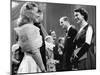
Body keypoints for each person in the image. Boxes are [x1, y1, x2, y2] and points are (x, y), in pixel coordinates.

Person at [14, 2, 46, 73]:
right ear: (29, 15)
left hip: (27, 62)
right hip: (33, 62)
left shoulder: (23, 28)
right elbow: (35, 52)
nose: (38, 15)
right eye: (36, 12)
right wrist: (43, 69)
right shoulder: (30, 28)